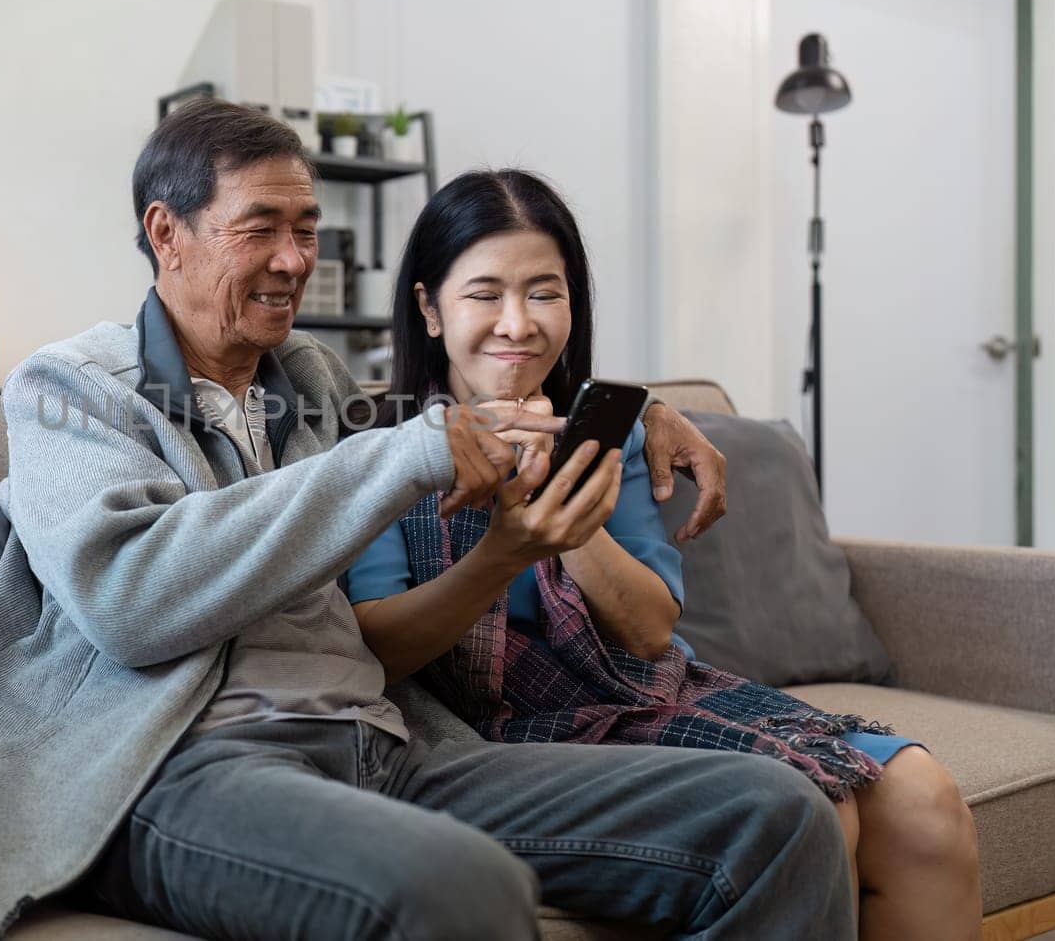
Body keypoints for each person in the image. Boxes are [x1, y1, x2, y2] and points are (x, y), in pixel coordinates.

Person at [0, 99, 855, 941]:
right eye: (261, 228)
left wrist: (644, 410)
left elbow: (455, 409)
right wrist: (418, 447)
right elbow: (130, 598)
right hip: (184, 766)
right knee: (456, 888)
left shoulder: (313, 383)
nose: (294, 259)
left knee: (775, 817)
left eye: (306, 229)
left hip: (384, 748)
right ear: (166, 233)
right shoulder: (71, 390)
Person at [343, 168, 982, 940]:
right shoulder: (380, 450)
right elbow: (381, 646)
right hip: (504, 732)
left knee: (925, 800)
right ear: (430, 308)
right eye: (484, 294)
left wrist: (572, 509)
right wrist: (508, 549)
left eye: (545, 292)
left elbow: (649, 634)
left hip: (640, 690)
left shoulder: (616, 433)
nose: (518, 323)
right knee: (824, 813)